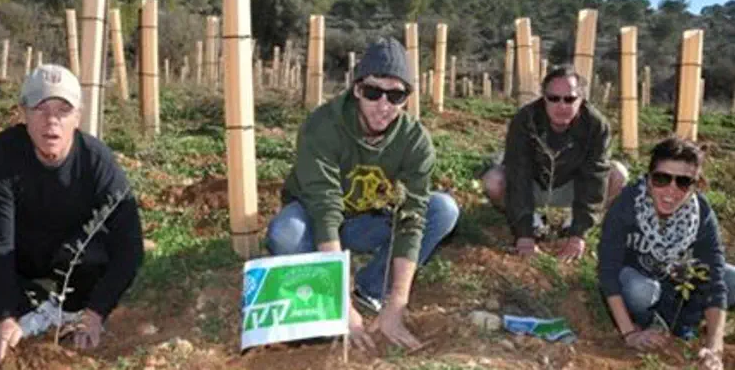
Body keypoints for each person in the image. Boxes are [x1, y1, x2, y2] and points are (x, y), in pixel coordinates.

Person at [266, 37, 459, 352]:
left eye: (396, 95)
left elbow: (411, 218)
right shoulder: (323, 126)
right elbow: (325, 207)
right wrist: (338, 302)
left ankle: (371, 288)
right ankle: (327, 296)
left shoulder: (415, 141)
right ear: (356, 89)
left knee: (444, 210)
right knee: (286, 234)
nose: (384, 106)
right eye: (373, 92)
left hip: (369, 222)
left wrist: (397, 303)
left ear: (407, 98)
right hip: (318, 221)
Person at [0, 65, 144, 369]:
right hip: (20, 250)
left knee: (95, 251)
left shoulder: (97, 162)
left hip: (70, 259)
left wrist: (96, 313)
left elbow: (130, 247)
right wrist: (5, 314)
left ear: (77, 118)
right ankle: (34, 304)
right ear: (24, 114)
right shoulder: (2, 155)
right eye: (41, 109)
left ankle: (71, 307)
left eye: (63, 110)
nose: (51, 120)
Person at [598, 137, 734, 370]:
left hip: (678, 287)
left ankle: (685, 324)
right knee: (640, 289)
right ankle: (649, 323)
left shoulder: (700, 213)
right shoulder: (627, 205)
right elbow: (608, 272)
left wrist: (714, 349)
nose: (671, 190)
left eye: (683, 182)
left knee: (732, 277)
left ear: (695, 185)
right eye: (662, 178)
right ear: (649, 179)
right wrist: (629, 334)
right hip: (639, 286)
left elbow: (716, 280)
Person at [481, 66, 627, 261]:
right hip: (535, 186)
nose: (561, 105)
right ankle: (533, 223)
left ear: (581, 99)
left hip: (573, 185)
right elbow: (518, 173)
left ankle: (571, 225)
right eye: (554, 98)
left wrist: (578, 234)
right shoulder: (526, 120)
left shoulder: (596, 125)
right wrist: (523, 234)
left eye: (569, 99)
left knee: (618, 174)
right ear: (544, 98)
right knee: (494, 180)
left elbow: (595, 176)